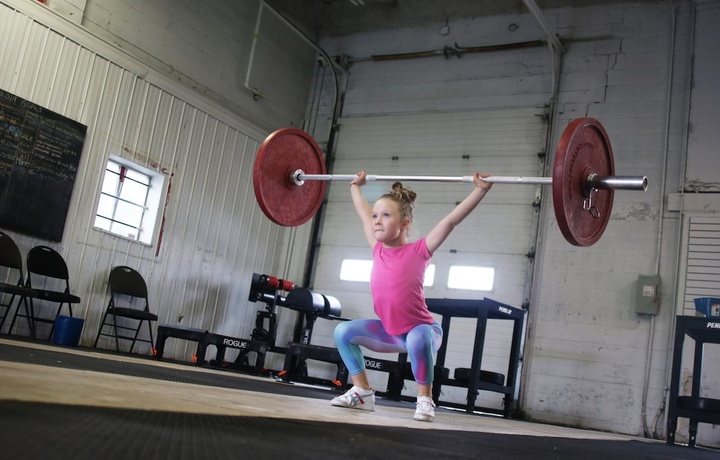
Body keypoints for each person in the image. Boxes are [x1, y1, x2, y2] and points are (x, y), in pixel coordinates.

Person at [330, 171, 493, 422]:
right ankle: (362, 391)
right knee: (343, 332)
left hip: (425, 332)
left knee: (417, 338)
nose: (376, 221)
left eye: (385, 215)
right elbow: (362, 212)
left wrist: (481, 189)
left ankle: (425, 399)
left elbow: (451, 221)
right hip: (391, 332)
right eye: (376, 216)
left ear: (405, 223)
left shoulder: (420, 250)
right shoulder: (377, 251)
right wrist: (355, 185)